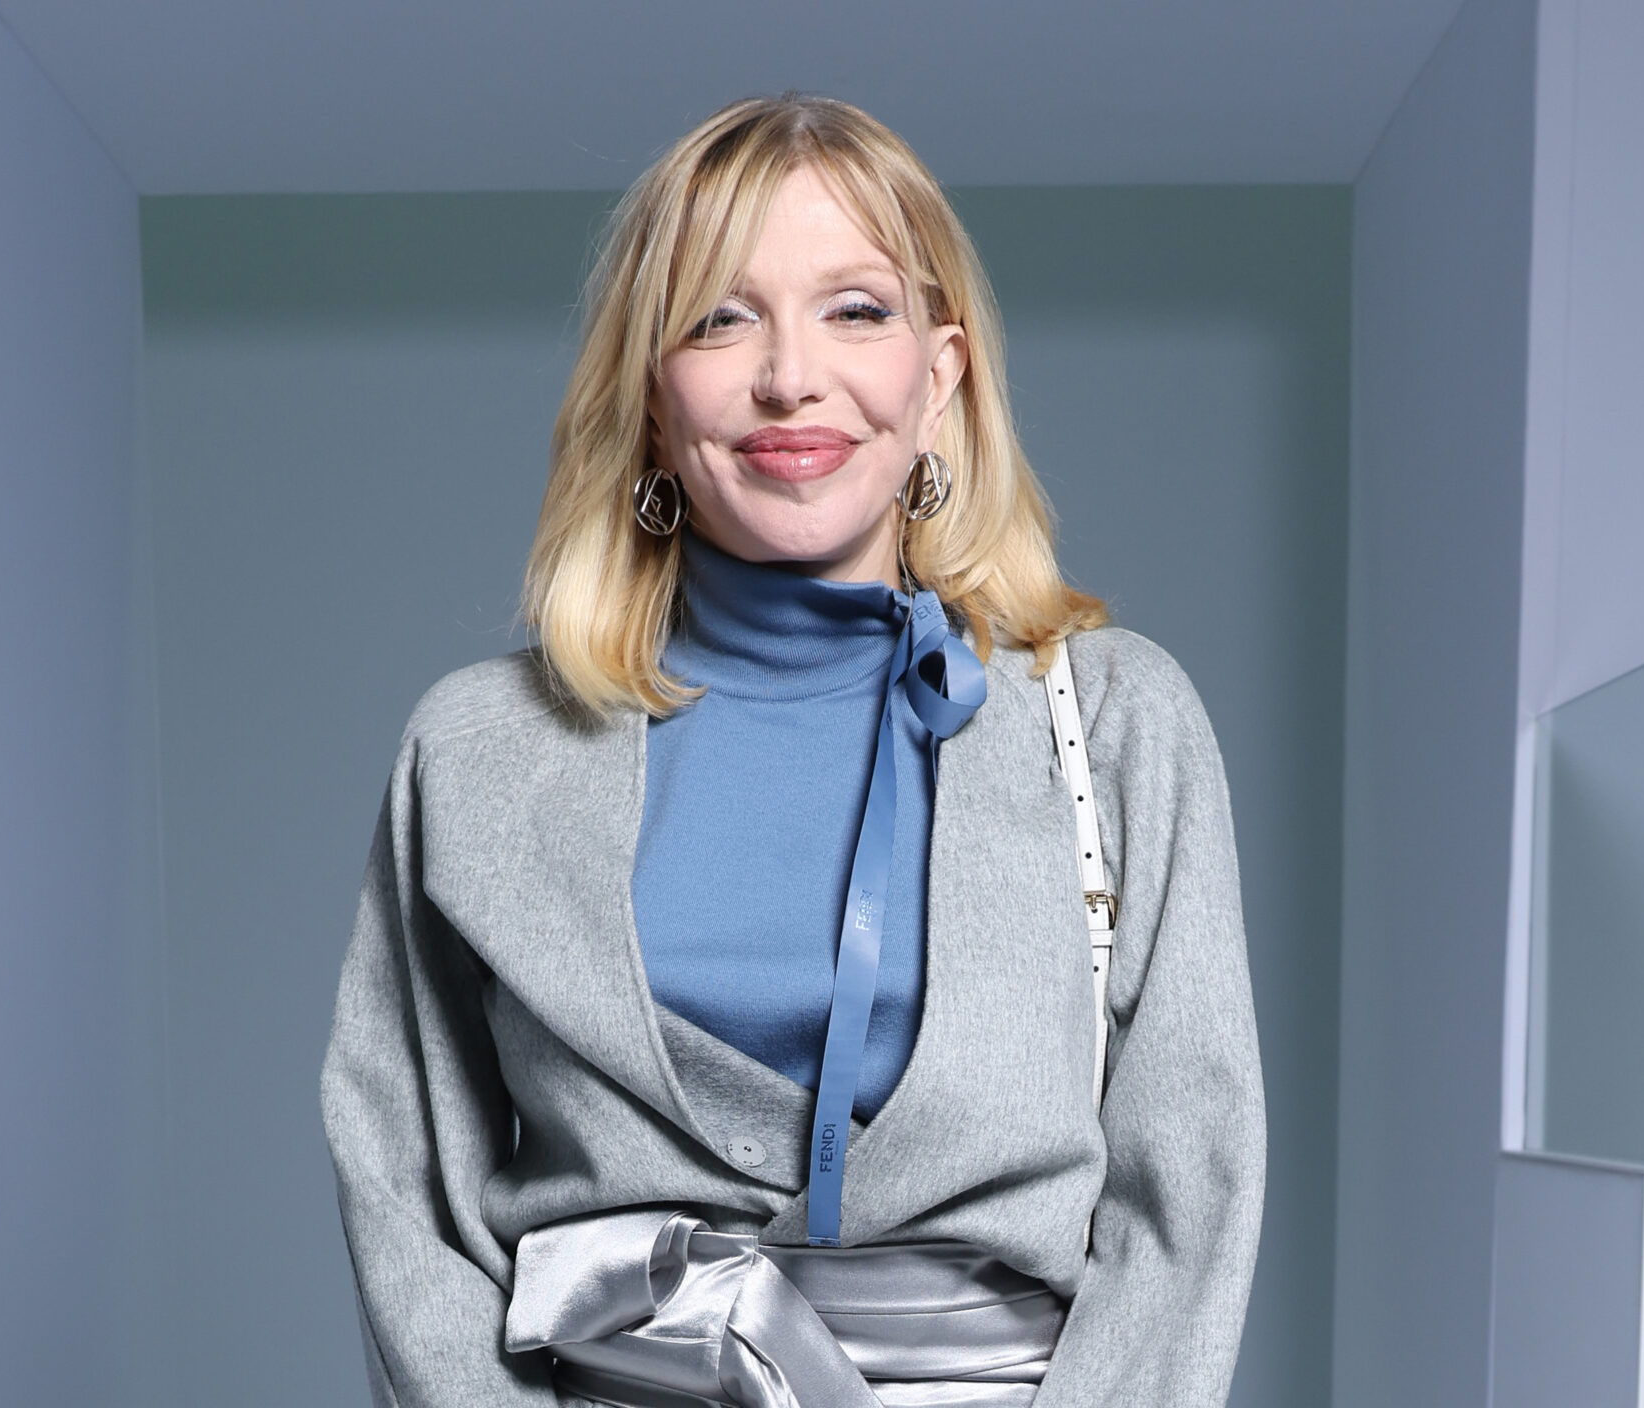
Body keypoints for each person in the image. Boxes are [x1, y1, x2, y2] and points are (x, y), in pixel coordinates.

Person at [321, 94, 1263, 1408]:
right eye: (719, 317)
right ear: (650, 397)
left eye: (855, 310)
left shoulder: (1113, 724)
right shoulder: (478, 752)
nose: (789, 376)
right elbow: (404, 1187)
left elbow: (1188, 1202)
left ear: (939, 379)